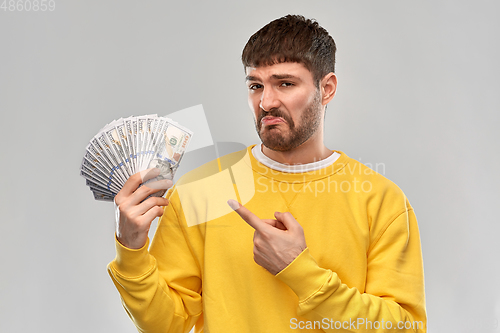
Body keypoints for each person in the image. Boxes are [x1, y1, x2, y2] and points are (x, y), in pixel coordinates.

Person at [108, 15, 427, 332]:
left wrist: (301, 272)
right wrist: (132, 249)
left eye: (285, 83)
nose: (266, 102)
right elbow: (165, 325)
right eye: (255, 86)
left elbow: (405, 329)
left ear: (326, 89)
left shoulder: (381, 200)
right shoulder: (200, 191)